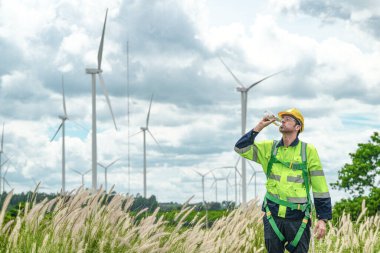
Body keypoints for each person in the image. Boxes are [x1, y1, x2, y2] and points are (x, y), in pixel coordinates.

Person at [234, 108, 332, 253]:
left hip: (299, 220)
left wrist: (322, 219)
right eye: (283, 118)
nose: (283, 120)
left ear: (297, 127)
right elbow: (240, 148)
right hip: (272, 216)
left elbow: (320, 187)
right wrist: (260, 126)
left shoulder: (308, 151)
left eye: (288, 119)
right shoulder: (269, 148)